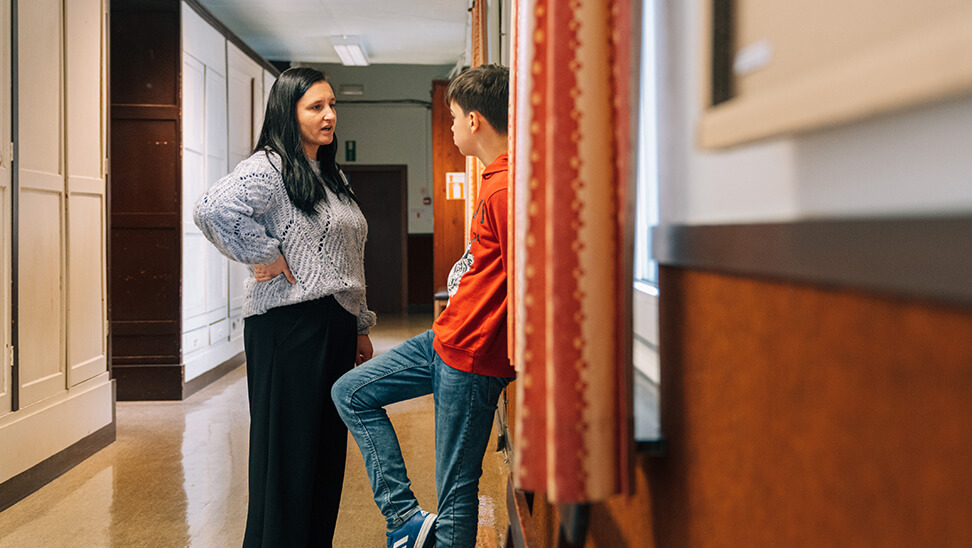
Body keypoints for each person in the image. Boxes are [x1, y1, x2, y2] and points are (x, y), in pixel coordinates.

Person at [331, 64, 513, 548]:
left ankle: (429, 531)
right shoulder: (494, 178)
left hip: (473, 358)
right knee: (350, 392)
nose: (451, 126)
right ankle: (406, 519)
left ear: (474, 121)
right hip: (443, 341)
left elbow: (528, 285)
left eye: (453, 116)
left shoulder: (505, 188)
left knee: (457, 497)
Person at [194, 67, 376, 547]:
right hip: (288, 327)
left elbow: (348, 255)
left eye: (333, 105)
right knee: (288, 457)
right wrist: (265, 253)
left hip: (333, 325)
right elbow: (212, 208)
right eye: (316, 107)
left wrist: (358, 323)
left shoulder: (332, 174)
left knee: (323, 454)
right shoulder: (268, 166)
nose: (330, 115)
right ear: (288, 112)